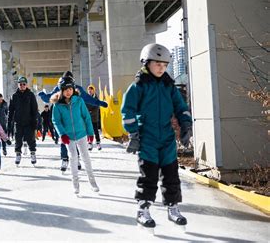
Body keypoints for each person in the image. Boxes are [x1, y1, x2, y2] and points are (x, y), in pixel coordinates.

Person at [121, 43, 192, 230]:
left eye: (165, 65)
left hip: (167, 137)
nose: (162, 68)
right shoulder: (139, 86)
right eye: (157, 64)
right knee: (149, 176)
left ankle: (173, 207)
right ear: (146, 63)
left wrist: (186, 125)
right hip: (147, 138)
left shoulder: (169, 86)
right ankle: (143, 210)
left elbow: (181, 107)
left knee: (171, 175)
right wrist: (134, 134)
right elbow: (127, 111)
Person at [38, 71, 107, 172]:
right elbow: (50, 97)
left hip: (74, 121)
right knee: (64, 140)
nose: (67, 89)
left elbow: (87, 98)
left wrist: (99, 103)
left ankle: (75, 159)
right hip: (63, 120)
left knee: (75, 140)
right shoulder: (59, 88)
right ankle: (65, 159)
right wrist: (43, 96)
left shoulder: (75, 89)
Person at [51, 75, 99, 195]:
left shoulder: (79, 100)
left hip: (81, 133)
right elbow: (56, 120)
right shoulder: (57, 105)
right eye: (66, 89)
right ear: (61, 90)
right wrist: (62, 134)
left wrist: (90, 133)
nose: (68, 92)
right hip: (68, 137)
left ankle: (93, 182)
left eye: (70, 89)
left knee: (86, 158)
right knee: (73, 158)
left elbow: (86, 117)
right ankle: (75, 185)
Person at [8, 76, 38, 166]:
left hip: (29, 122)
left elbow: (34, 110)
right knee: (18, 140)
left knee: (30, 139)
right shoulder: (14, 96)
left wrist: (35, 123)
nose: (22, 86)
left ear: (26, 85)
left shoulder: (31, 95)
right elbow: (11, 111)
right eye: (20, 84)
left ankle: (32, 153)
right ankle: (18, 154)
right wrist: (9, 123)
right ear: (18, 85)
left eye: (24, 84)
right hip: (18, 123)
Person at [86, 85, 102, 151]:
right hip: (87, 118)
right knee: (89, 131)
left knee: (96, 131)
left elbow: (96, 108)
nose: (90, 91)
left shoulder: (96, 98)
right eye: (89, 89)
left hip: (94, 118)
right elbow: (84, 107)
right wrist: (87, 113)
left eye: (91, 89)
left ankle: (98, 143)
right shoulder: (86, 98)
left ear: (94, 90)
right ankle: (90, 143)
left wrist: (90, 113)